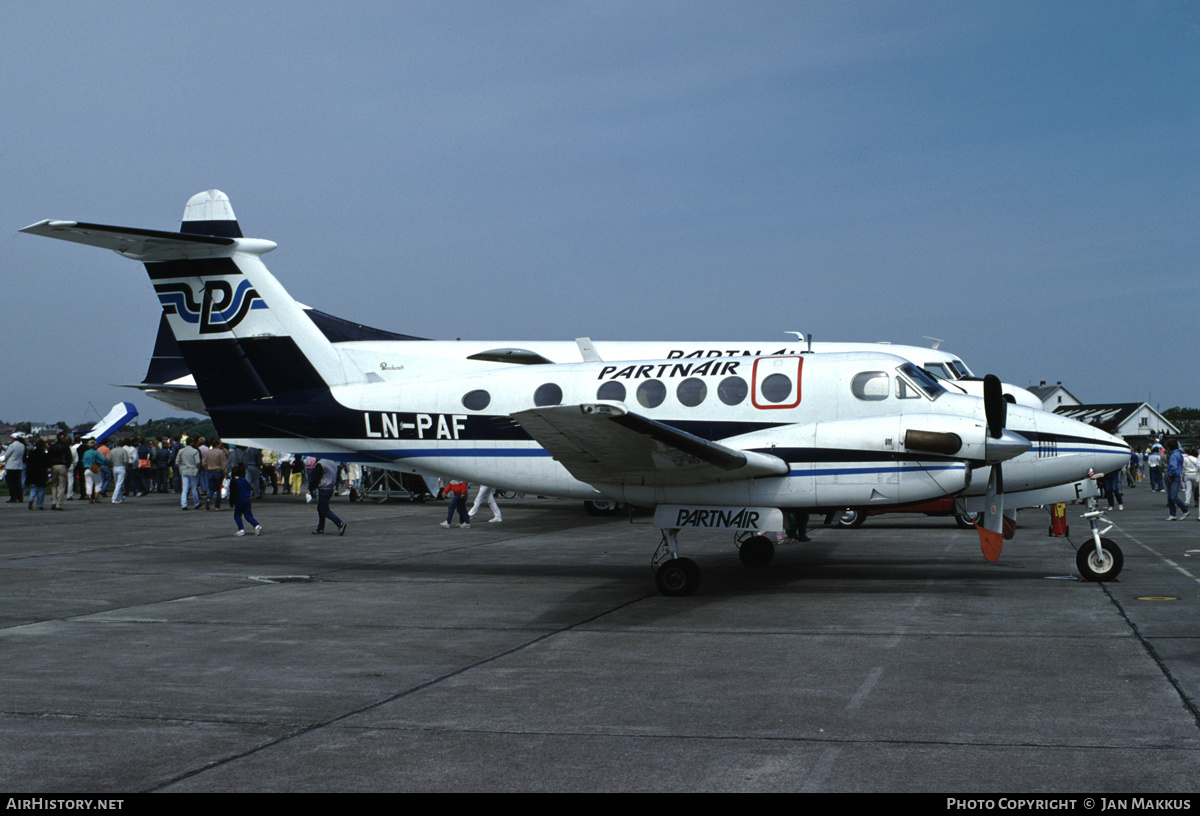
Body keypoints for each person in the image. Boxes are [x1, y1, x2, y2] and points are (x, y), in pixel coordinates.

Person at [308, 458, 347, 535]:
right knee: (320, 508)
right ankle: (320, 528)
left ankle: (339, 523)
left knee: (324, 510)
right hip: (330, 488)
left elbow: (315, 478)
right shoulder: (333, 463)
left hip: (324, 488)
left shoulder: (320, 464)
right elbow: (338, 476)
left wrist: (311, 489)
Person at [228, 465, 262, 537]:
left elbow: (233, 493)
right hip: (247, 499)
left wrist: (231, 502)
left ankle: (241, 529)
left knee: (237, 515)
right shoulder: (244, 480)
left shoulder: (234, 482)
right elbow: (250, 488)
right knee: (248, 515)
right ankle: (256, 525)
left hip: (240, 500)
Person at [1165, 439, 1188, 521]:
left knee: (1173, 496)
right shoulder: (1179, 454)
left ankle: (1184, 510)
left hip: (1173, 476)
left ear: (1169, 447)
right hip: (1178, 475)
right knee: (1170, 497)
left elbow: (1173, 467)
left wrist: (1170, 475)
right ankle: (1172, 514)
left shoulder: (1173, 456)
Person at [26, 438, 51, 510]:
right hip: (41, 473)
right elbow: (47, 464)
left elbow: (29, 463)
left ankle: (31, 498)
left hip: (33, 473)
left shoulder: (32, 453)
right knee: (41, 489)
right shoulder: (43, 454)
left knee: (33, 488)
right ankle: (39, 505)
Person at [49, 432, 72, 510]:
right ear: (62, 438)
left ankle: (54, 502)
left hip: (54, 465)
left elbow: (49, 456)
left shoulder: (52, 446)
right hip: (63, 465)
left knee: (54, 485)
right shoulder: (65, 446)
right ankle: (59, 504)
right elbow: (69, 457)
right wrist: (67, 466)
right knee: (61, 486)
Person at [177, 438, 202, 510]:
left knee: (184, 488)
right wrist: (197, 468)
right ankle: (196, 503)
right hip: (192, 470)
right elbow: (198, 462)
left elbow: (177, 461)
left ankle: (184, 504)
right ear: (191, 442)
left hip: (184, 470)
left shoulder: (181, 451)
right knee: (194, 488)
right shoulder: (195, 451)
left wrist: (181, 467)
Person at [4, 433, 26, 503]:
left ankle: (13, 497)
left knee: (10, 483)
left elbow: (7, 455)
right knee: (18, 483)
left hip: (11, 466)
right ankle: (20, 497)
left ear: (13, 438)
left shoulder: (12, 446)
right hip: (19, 466)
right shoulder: (22, 445)